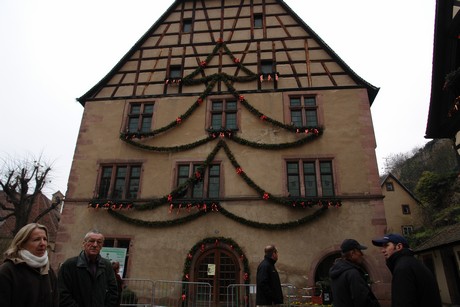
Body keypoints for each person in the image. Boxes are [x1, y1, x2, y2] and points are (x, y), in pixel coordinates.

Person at [372, 233, 442, 307]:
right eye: (382, 247)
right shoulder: (412, 263)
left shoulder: (403, 268)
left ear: (399, 246)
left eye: (386, 245)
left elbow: (403, 302)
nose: (383, 250)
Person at [0, 222, 58, 307]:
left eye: (45, 239)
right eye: (37, 239)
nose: (43, 244)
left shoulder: (49, 271)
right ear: (21, 243)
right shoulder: (8, 271)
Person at [58, 229, 118, 307]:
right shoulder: (69, 265)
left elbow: (113, 292)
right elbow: (62, 294)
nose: (95, 245)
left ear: (102, 245)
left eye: (99, 242)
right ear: (84, 244)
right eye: (91, 241)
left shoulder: (107, 265)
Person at [329, 239, 380, 307]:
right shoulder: (352, 273)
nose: (362, 254)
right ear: (352, 253)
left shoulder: (337, 272)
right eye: (359, 251)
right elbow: (362, 301)